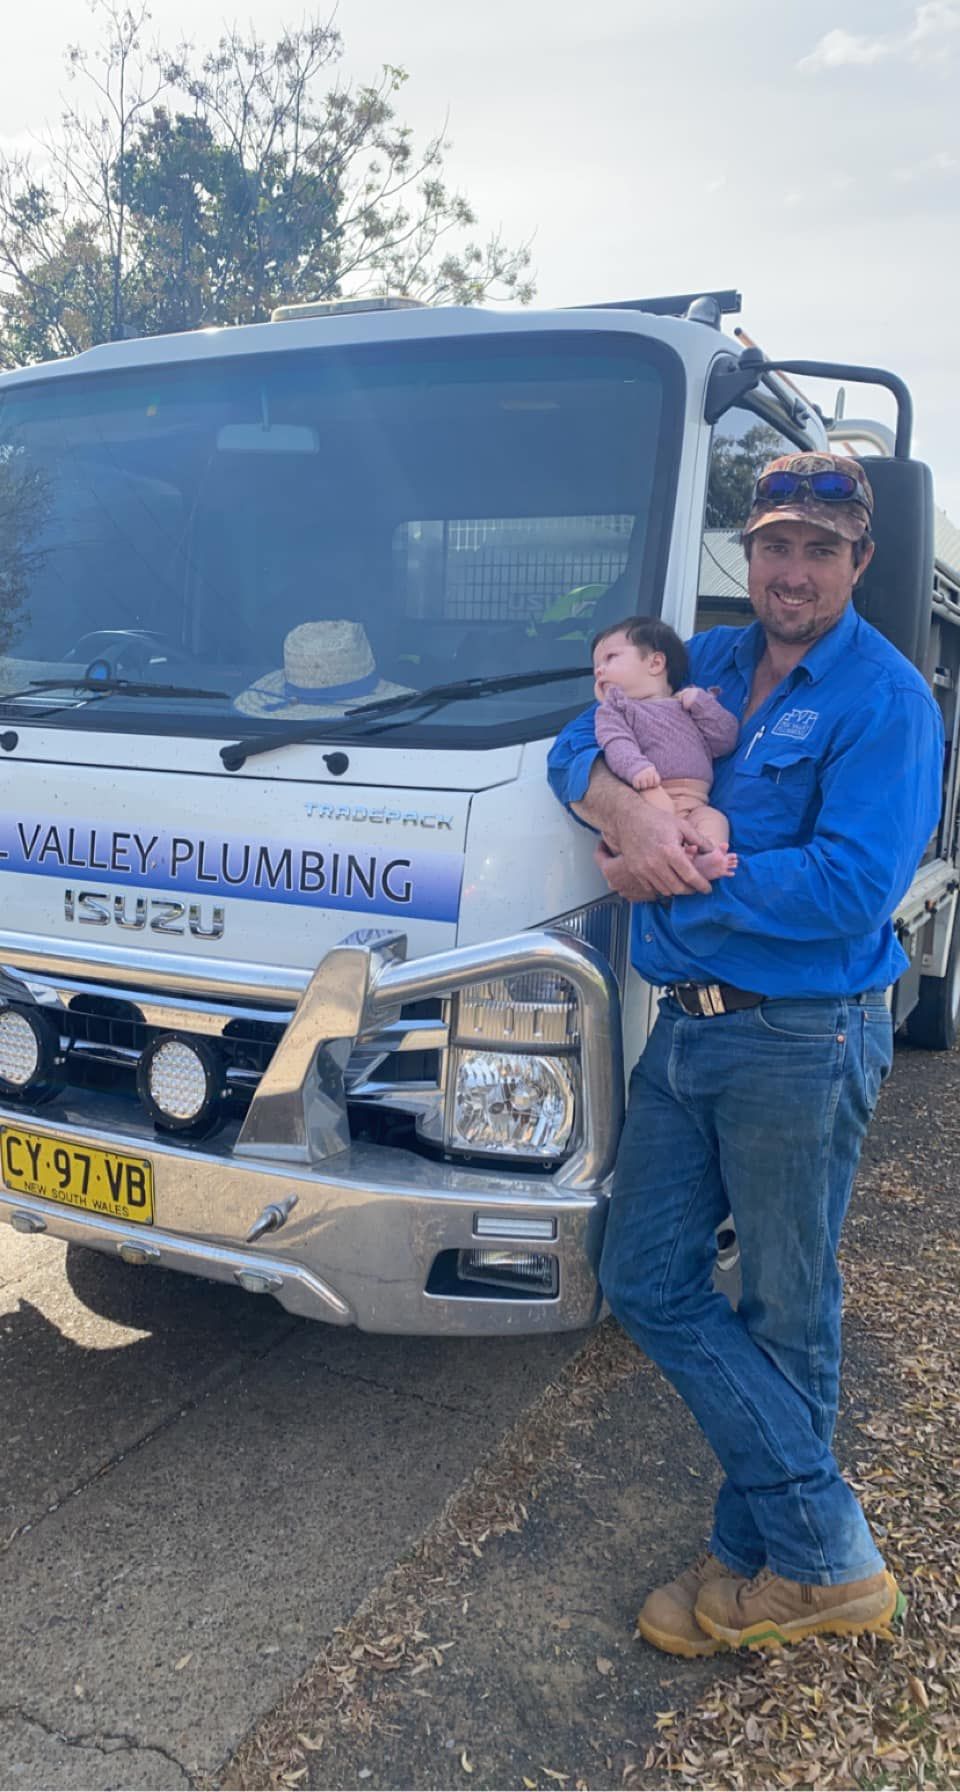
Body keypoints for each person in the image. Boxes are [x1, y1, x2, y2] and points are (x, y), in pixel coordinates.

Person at [547, 451, 943, 1654]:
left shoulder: (890, 701)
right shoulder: (708, 660)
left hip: (802, 1037)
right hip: (691, 1032)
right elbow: (582, 739)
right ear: (749, 553)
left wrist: (671, 878)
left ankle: (780, 1555)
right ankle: (812, 1540)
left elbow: (850, 890)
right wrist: (619, 809)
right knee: (647, 1277)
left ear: (861, 562)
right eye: (775, 544)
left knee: (785, 1304)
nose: (793, 569)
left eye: (823, 549)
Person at [592, 616, 738, 879]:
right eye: (596, 666)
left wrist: (702, 704)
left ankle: (707, 858)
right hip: (650, 792)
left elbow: (726, 740)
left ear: (656, 662)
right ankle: (681, 863)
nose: (599, 670)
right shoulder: (616, 710)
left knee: (715, 820)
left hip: (696, 802)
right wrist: (636, 767)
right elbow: (615, 742)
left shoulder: (688, 703)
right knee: (654, 828)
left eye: (610, 658)